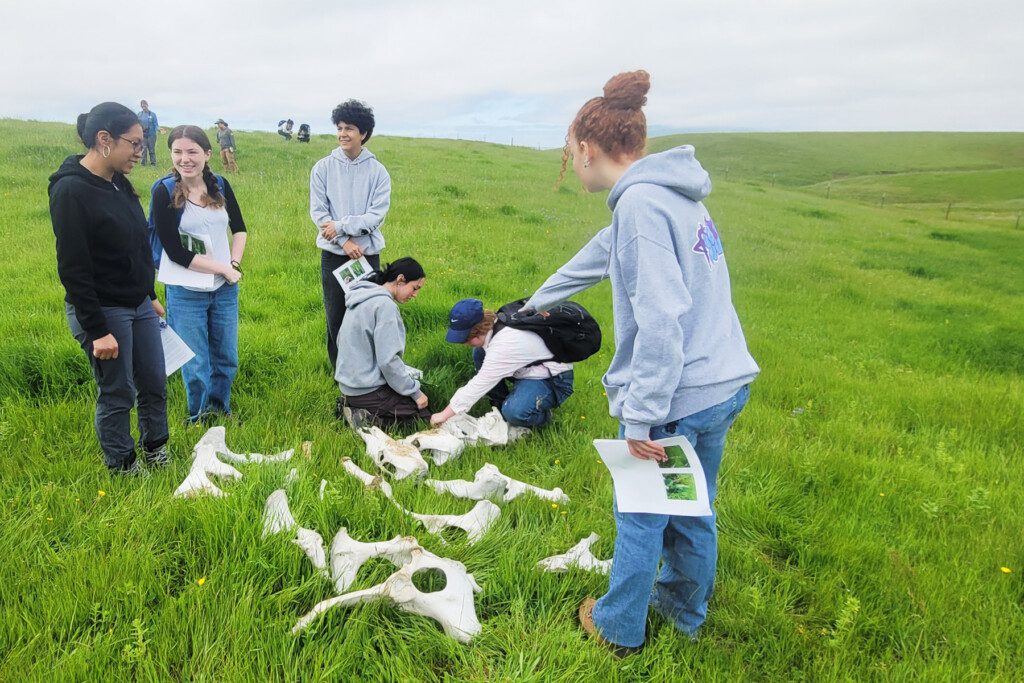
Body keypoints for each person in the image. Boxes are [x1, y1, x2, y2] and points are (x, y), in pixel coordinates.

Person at [522, 71, 759, 655]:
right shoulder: (667, 195)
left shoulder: (642, 208)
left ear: (584, 148)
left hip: (678, 394)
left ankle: (617, 627)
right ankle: (683, 614)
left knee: (642, 513)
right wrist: (534, 302)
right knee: (692, 506)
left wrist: (640, 417)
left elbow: (661, 318)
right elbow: (599, 255)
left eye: (567, 150)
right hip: (721, 383)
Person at [48, 101, 170, 474]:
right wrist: (97, 329)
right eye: (133, 143)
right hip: (104, 310)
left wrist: (149, 295)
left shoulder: (118, 183)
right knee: (118, 391)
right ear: (105, 140)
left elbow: (134, 245)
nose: (140, 150)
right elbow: (74, 267)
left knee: (154, 383)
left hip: (137, 303)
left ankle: (156, 450)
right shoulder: (71, 191)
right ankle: (122, 465)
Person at [152, 125, 247, 423]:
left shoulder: (220, 184)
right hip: (185, 289)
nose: (185, 159)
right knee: (196, 361)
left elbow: (240, 229)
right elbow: (176, 252)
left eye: (192, 151)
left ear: (207, 154)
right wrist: (222, 268)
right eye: (178, 152)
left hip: (224, 288)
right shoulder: (164, 190)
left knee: (226, 356)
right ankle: (199, 416)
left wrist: (233, 263)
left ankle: (221, 410)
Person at [310, 99, 391, 371]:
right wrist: (344, 241)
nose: (343, 134)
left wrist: (343, 227)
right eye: (340, 127)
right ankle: (341, 375)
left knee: (367, 314)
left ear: (364, 133)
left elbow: (375, 216)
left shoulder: (378, 172)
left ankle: (367, 373)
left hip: (367, 256)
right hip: (334, 255)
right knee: (336, 316)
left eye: (350, 128)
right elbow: (319, 214)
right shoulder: (322, 168)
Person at [429, 298, 574, 429]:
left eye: (466, 339)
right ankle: (501, 404)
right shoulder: (496, 324)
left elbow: (478, 385)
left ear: (478, 331)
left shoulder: (504, 344)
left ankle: (541, 418)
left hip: (553, 378)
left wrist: (443, 415)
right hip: (530, 367)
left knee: (514, 413)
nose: (465, 344)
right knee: (479, 352)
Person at [335, 258, 428, 427]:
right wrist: (416, 392)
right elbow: (388, 361)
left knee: (407, 393)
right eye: (415, 288)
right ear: (400, 280)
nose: (415, 295)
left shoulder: (359, 297)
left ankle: (351, 406)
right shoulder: (385, 306)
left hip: (348, 385)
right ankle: (364, 418)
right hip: (367, 390)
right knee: (419, 415)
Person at [138, 100, 159, 166]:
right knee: (143, 150)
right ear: (141, 106)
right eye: (142, 105)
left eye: (145, 105)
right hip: (143, 135)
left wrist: (159, 129)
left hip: (151, 135)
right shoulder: (139, 114)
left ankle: (153, 163)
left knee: (151, 150)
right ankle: (143, 164)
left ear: (147, 105)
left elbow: (156, 124)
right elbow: (137, 124)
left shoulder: (152, 114)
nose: (143, 106)